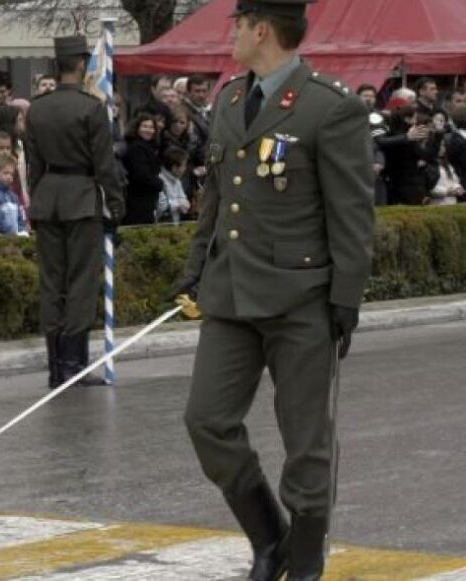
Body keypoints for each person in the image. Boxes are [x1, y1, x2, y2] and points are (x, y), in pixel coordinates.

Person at [169, 1, 374, 579]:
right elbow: (218, 199)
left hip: (300, 298)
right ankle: (269, 537)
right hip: (230, 292)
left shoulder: (327, 108)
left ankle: (305, 562)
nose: (230, 34)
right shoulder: (232, 100)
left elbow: (352, 214)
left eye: (237, 24)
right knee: (206, 420)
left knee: (305, 441)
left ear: (262, 30)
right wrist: (195, 268)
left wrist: (345, 300)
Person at [25, 36, 125, 389]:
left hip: (48, 197)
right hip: (81, 200)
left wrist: (37, 200)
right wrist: (116, 205)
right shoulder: (90, 107)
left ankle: (56, 367)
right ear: (81, 65)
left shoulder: (37, 108)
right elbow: (104, 164)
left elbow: (33, 167)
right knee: (81, 282)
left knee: (52, 281)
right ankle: (74, 365)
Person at [121, 112, 163, 225]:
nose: (148, 130)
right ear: (137, 128)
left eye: (151, 127)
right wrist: (159, 183)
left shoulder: (150, 147)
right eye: (144, 126)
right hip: (137, 200)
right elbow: (141, 174)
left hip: (147, 200)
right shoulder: (137, 148)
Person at [0, 155, 27, 237]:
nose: (9, 177)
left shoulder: (13, 196)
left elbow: (20, 217)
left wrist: (22, 230)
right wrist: (13, 233)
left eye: (11, 174)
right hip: (0, 237)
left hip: (15, 235)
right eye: (5, 173)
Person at [156, 146, 191, 225]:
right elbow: (161, 206)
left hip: (175, 222)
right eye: (183, 166)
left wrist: (184, 204)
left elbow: (183, 197)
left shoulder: (177, 181)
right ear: (174, 167)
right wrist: (178, 205)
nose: (185, 168)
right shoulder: (160, 180)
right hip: (162, 224)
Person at [428, 139, 464, 206]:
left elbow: (455, 180)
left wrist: (458, 188)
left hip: (452, 202)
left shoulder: (447, 165)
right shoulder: (427, 164)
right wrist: (446, 191)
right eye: (439, 145)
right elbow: (429, 187)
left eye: (443, 145)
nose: (441, 148)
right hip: (437, 204)